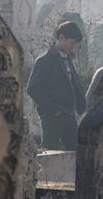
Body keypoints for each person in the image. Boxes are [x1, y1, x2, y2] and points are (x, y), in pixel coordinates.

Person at [27, 21, 87, 150]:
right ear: (61, 38)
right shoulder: (45, 60)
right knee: (49, 152)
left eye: (77, 43)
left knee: (76, 152)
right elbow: (33, 88)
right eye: (72, 42)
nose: (74, 46)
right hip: (52, 116)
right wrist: (54, 110)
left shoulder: (67, 58)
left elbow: (73, 84)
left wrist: (80, 106)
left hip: (69, 115)